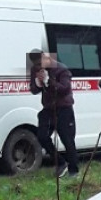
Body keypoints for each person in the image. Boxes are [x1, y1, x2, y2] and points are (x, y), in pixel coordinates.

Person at [29, 48, 79, 178]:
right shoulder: (35, 69)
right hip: (48, 108)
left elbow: (64, 89)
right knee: (42, 136)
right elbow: (33, 90)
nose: (38, 67)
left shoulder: (61, 69)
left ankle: (74, 170)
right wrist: (38, 84)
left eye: (40, 64)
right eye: (36, 65)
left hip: (64, 108)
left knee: (67, 140)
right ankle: (61, 163)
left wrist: (48, 81)